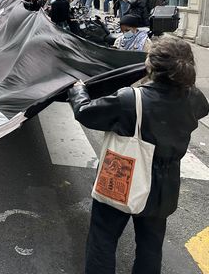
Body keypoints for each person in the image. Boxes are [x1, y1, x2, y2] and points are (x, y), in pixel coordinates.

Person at [68, 36, 209, 274]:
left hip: (122, 178)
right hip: (165, 186)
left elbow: (85, 113)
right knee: (150, 246)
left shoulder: (130, 100)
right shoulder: (193, 97)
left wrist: (79, 91)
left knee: (103, 239)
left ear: (151, 65)